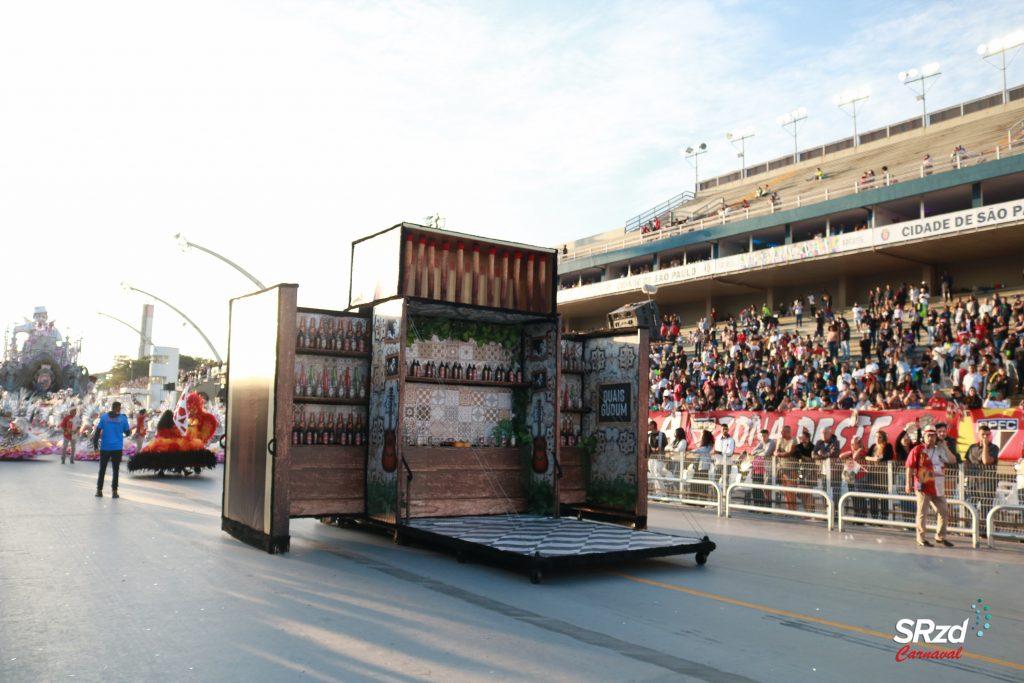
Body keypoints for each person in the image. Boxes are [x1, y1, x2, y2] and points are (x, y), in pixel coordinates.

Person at [905, 424, 957, 548]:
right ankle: (921, 538)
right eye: (928, 435)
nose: (931, 438)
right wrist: (908, 483)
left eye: (933, 435)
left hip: (938, 486)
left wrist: (945, 447)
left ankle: (940, 537)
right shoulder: (917, 449)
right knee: (922, 513)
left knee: (944, 512)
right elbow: (909, 467)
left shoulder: (939, 449)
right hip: (923, 486)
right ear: (924, 436)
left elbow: (953, 460)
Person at [964, 424, 1000, 530]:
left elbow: (986, 461)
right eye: (983, 434)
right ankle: (971, 529)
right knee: (970, 506)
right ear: (978, 434)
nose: (985, 437)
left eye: (987, 435)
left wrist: (985, 445)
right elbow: (966, 462)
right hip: (973, 482)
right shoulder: (972, 447)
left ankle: (984, 531)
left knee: (986, 508)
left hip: (987, 483)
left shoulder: (994, 448)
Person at [92, 401, 130, 498]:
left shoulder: (104, 417)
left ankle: (99, 490)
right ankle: (114, 491)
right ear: (118, 408)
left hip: (105, 447)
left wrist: (95, 445)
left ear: (112, 407)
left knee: (102, 469)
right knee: (115, 470)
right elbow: (128, 432)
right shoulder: (123, 418)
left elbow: (97, 431)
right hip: (117, 448)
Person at [840, 435, 870, 518]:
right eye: (851, 444)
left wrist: (859, 449)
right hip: (852, 478)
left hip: (861, 477)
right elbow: (841, 456)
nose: (852, 446)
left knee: (861, 498)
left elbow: (855, 457)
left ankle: (863, 516)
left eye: (854, 444)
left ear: (859, 444)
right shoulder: (852, 451)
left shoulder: (862, 451)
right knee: (854, 498)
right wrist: (851, 451)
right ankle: (856, 515)